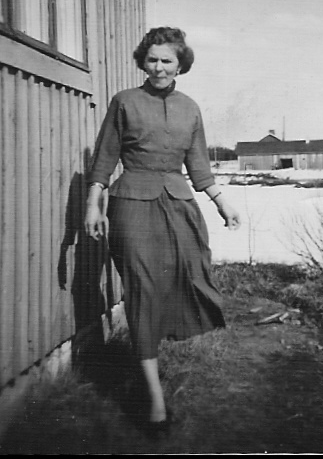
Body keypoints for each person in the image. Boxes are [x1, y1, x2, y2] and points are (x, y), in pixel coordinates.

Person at [84, 26, 241, 438]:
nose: (158, 67)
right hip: (132, 204)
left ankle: (155, 341)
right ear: (143, 61)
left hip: (179, 204)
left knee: (191, 273)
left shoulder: (190, 108)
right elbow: (104, 158)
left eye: (166, 60)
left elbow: (199, 166)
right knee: (142, 288)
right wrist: (93, 204)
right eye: (152, 60)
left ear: (180, 64)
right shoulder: (124, 102)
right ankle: (155, 399)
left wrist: (222, 203)